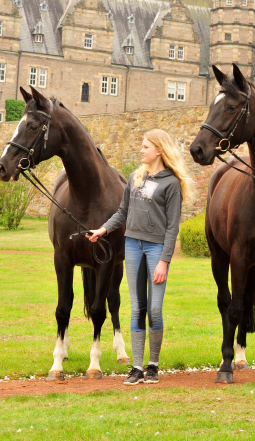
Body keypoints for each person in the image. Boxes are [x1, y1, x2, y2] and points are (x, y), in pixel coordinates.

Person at [86, 129, 193, 385]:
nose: (141, 150)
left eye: (145, 146)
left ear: (159, 150)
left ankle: (153, 366)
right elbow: (123, 212)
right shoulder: (135, 177)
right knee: (137, 308)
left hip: (156, 249)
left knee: (154, 310)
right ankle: (136, 368)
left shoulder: (171, 184)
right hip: (132, 245)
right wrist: (103, 229)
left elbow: (172, 227)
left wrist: (164, 261)